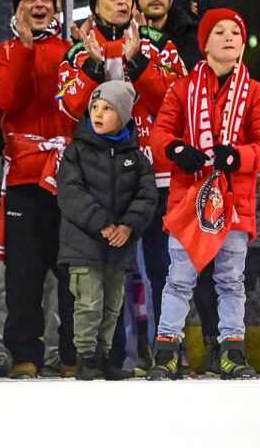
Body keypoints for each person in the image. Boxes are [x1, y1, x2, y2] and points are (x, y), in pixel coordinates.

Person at [58, 0, 185, 372]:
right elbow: (66, 110)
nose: (121, 1)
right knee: (103, 276)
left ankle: (166, 354)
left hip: (154, 176)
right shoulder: (77, 49)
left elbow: (174, 102)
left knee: (161, 270)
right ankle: (108, 357)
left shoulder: (160, 46)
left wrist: (137, 60)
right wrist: (95, 66)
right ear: (95, 3)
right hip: (97, 184)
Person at [149, 9, 260, 381]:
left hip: (234, 201)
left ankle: (231, 351)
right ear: (204, 43)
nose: (230, 38)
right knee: (179, 279)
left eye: (236, 32)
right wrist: (178, 150)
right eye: (220, 32)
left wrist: (239, 156)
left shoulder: (257, 93)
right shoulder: (181, 88)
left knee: (231, 281)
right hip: (189, 201)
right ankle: (166, 352)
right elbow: (160, 135)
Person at [0, 0, 77, 379]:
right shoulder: (3, 52)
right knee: (23, 273)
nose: (38, 6)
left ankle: (72, 354)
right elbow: (6, 98)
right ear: (17, 9)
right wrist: (23, 47)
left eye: (45, 0)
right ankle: (24, 353)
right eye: (28, 1)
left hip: (70, 178)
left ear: (56, 6)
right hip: (23, 177)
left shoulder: (72, 50)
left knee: (73, 270)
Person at [128, 0, 220, 374]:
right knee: (134, 271)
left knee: (194, 266)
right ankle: (136, 354)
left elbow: (176, 101)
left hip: (180, 170)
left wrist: (139, 66)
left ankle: (209, 349)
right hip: (127, 171)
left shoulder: (192, 37)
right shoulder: (107, 39)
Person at [56, 80, 158, 380]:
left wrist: (128, 226)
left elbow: (147, 196)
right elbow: (70, 193)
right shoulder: (76, 152)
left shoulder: (137, 158)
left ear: (124, 116)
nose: (98, 113)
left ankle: (103, 356)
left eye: (108, 108)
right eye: (95, 108)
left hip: (119, 245)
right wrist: (103, 223)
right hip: (84, 244)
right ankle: (86, 356)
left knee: (113, 304)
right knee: (88, 303)